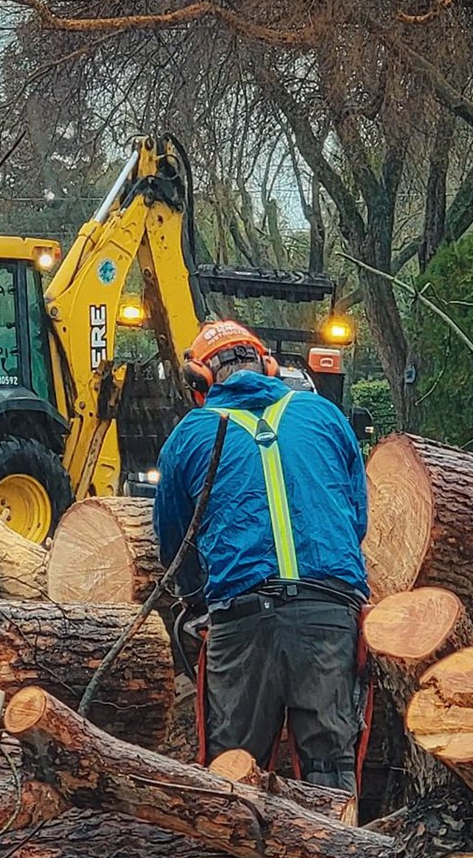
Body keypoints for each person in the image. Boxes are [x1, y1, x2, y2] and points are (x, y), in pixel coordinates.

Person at [153, 319, 369, 789]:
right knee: (331, 766)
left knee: (234, 773)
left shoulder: (189, 436)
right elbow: (356, 520)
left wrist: (194, 599)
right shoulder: (324, 414)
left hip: (242, 620)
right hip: (328, 614)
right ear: (268, 365)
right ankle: (344, 856)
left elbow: (175, 543)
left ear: (200, 380)